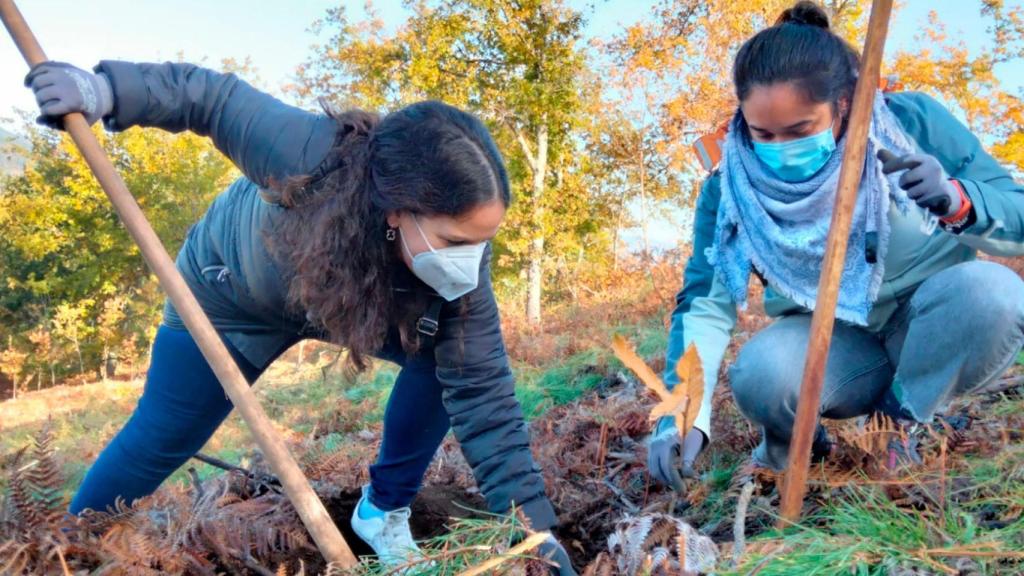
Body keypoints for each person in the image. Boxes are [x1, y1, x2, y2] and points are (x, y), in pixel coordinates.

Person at [25, 59, 575, 573]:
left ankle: (382, 511)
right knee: (162, 434)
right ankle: (68, 546)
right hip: (232, 294)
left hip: (351, 306)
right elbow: (211, 99)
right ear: (397, 209)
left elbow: (488, 404)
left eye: (481, 243)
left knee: (447, 364)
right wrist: (106, 90)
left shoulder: (460, 276)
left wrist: (535, 535)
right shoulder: (310, 156)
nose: (470, 261)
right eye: (455, 240)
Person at [648, 1, 1024, 487]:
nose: (779, 148)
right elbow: (705, 303)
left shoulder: (913, 123)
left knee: (994, 294)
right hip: (833, 345)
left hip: (932, 323)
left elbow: (1016, 212)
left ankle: (898, 426)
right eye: (763, 133)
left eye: (800, 130)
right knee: (761, 375)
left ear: (845, 103)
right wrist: (681, 412)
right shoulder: (730, 187)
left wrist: (957, 200)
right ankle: (794, 442)